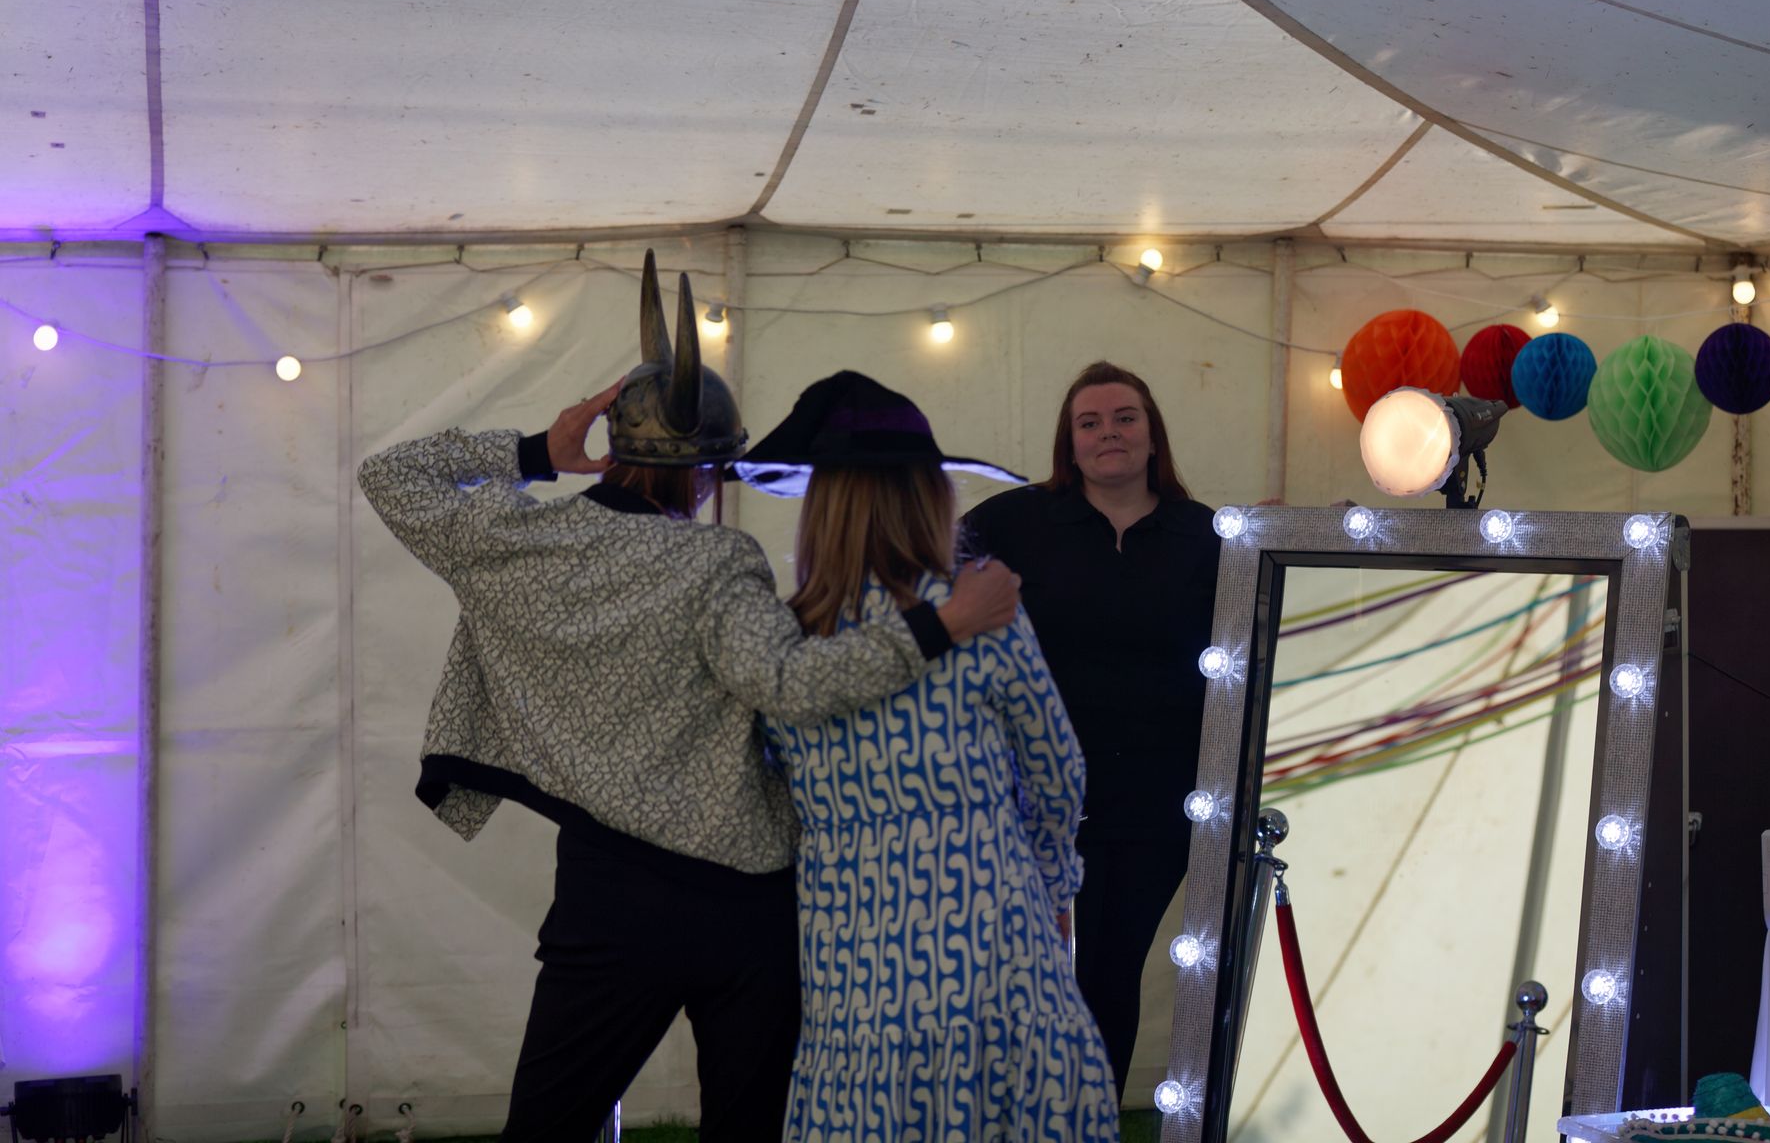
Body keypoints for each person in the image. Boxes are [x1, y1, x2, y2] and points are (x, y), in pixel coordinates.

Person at [357, 254, 1022, 1143]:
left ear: (616, 444)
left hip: (605, 900)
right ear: (709, 471)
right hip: (744, 906)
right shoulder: (718, 562)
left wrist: (533, 453)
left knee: (546, 1130)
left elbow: (389, 476)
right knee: (747, 1132)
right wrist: (946, 625)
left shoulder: (508, 540)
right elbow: (789, 688)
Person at [734, 371, 1120, 1141]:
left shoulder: (785, 642)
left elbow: (764, 788)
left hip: (851, 947)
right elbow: (1057, 770)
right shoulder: (986, 612)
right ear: (928, 497)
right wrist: (1052, 885)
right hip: (994, 930)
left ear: (821, 508)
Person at [960, 359, 1220, 1100]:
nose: (1109, 433)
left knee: (1109, 970)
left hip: (1155, 800)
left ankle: (1087, 1117)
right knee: (1025, 972)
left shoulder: (1206, 536)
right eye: (1090, 422)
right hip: (1026, 800)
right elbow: (928, 604)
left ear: (1152, 434)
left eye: (1124, 418)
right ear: (1068, 444)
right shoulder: (1008, 525)